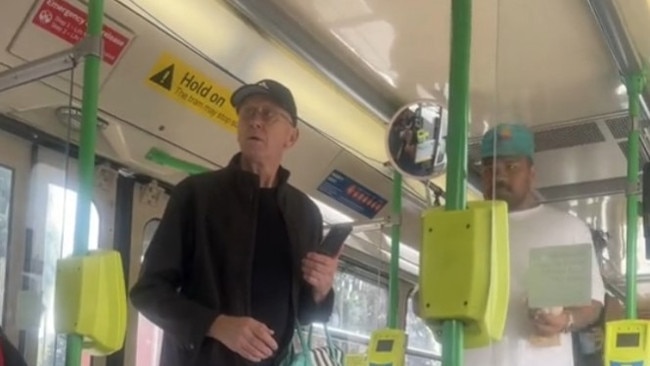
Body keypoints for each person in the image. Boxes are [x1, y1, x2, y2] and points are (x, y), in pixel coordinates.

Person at [130, 79, 340, 366]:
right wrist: (216, 324)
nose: (256, 121)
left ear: (291, 137)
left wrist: (322, 289)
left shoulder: (306, 214)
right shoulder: (196, 195)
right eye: (248, 113)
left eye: (268, 115)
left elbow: (304, 314)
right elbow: (149, 292)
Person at [413, 123, 605, 366]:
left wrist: (565, 319)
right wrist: (423, 304)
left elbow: (592, 303)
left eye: (511, 166)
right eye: (489, 168)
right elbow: (425, 298)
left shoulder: (566, 228)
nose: (499, 175)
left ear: (531, 173)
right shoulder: (457, 226)